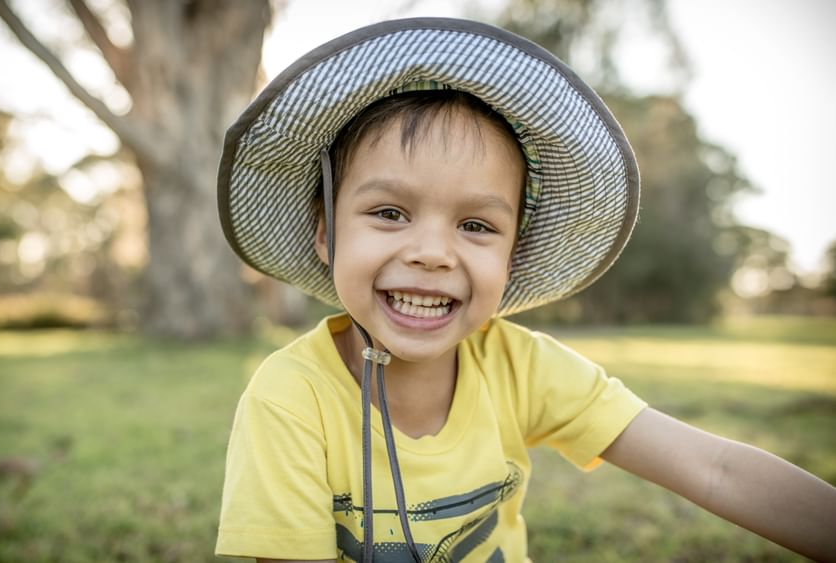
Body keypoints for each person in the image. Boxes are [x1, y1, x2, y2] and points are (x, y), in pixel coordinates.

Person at [215, 18, 836, 563]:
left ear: (512, 257)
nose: (432, 252)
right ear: (326, 234)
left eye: (477, 226)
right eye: (389, 213)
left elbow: (717, 470)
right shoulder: (289, 402)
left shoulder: (521, 367)